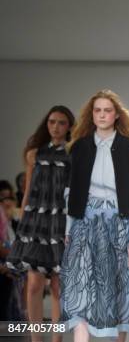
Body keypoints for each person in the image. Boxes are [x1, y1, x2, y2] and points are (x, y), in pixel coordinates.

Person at [61, 90, 129, 341]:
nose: (102, 115)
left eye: (107, 110)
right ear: (91, 114)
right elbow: (71, 192)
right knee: (81, 283)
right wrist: (68, 230)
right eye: (97, 110)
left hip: (120, 224)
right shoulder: (79, 147)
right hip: (84, 223)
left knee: (121, 284)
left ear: (116, 115)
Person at [7, 105, 74, 342]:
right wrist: (24, 219)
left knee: (57, 286)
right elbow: (28, 190)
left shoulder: (72, 153)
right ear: (47, 124)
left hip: (60, 220)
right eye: (52, 122)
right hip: (36, 221)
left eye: (61, 122)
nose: (55, 127)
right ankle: (36, 339)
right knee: (34, 284)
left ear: (69, 126)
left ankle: (56, 339)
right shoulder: (34, 154)